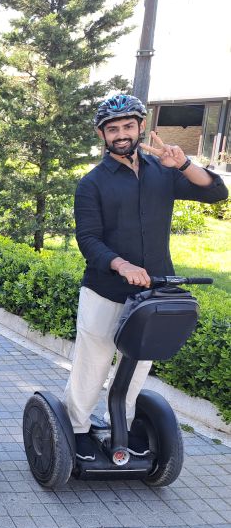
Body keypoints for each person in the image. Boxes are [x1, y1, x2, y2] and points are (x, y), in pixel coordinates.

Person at [66, 94, 228, 461]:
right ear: (102, 134)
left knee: (137, 365)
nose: (121, 134)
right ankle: (76, 429)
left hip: (152, 293)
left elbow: (217, 193)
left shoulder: (165, 172)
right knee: (92, 364)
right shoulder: (91, 183)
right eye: (113, 129)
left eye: (127, 126)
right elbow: (88, 239)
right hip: (105, 290)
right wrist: (120, 265)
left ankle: (120, 425)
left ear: (140, 127)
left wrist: (184, 163)